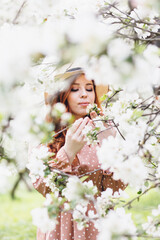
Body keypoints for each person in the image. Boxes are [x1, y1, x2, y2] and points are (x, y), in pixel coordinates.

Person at [33, 67, 126, 240]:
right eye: (75, 89)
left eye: (89, 88)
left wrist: (109, 146)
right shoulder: (48, 134)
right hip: (62, 222)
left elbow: (116, 189)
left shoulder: (104, 130)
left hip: (98, 221)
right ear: (62, 95)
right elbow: (44, 187)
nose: (84, 94)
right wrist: (67, 152)